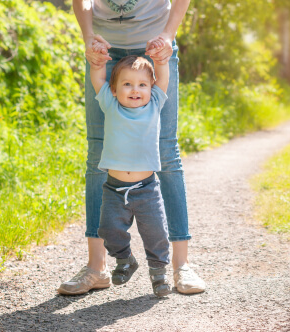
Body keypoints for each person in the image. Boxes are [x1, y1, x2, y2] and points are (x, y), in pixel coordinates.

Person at [57, 0, 205, 295]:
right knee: (98, 153)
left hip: (155, 47)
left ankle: (181, 264)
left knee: (166, 151)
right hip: (104, 49)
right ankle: (96, 267)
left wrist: (168, 34)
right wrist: (88, 38)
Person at [94, 43, 171, 296]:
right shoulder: (110, 104)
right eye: (127, 84)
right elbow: (98, 78)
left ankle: (159, 273)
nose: (135, 90)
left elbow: (164, 75)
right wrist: (97, 62)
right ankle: (125, 259)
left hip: (147, 188)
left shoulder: (154, 105)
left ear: (151, 88)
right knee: (108, 229)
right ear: (114, 90)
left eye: (142, 85)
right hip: (114, 189)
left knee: (155, 233)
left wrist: (160, 56)